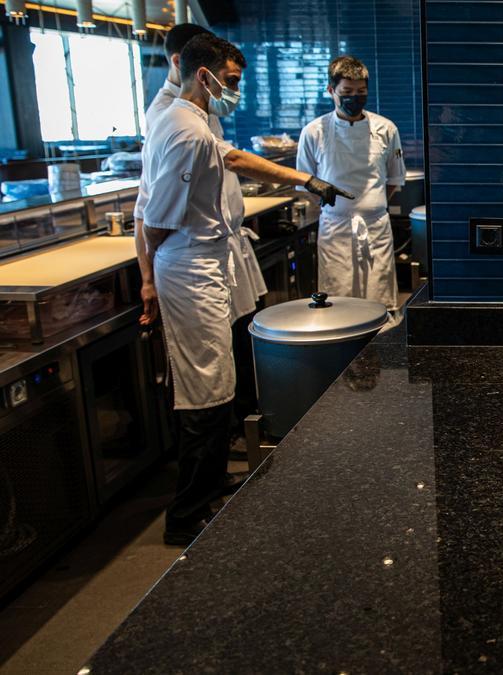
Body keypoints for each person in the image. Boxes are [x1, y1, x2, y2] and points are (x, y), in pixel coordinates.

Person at [136, 34, 354, 546]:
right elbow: (153, 220)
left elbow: (233, 159)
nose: (236, 91)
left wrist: (304, 180)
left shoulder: (198, 118)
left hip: (208, 261)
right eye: (231, 81)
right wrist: (150, 277)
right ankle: (186, 513)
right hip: (189, 267)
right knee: (205, 387)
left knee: (221, 377)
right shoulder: (180, 128)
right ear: (200, 73)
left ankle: (211, 484)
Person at [296, 55, 405, 313]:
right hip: (336, 229)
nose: (354, 98)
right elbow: (306, 182)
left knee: (380, 301)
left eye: (360, 92)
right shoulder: (313, 131)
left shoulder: (386, 129)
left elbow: (393, 180)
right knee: (338, 301)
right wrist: (337, 210)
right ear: (331, 90)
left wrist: (371, 206)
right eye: (346, 92)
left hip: (376, 227)